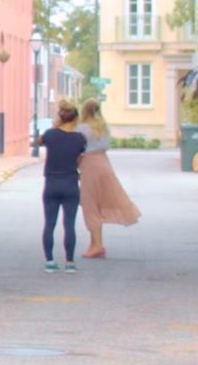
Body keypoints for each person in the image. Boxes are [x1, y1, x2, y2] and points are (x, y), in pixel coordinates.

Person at [76, 98, 140, 259]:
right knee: (99, 203)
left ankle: (97, 244)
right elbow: (106, 145)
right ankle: (95, 243)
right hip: (104, 162)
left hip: (89, 164)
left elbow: (77, 148)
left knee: (90, 204)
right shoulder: (103, 128)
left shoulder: (82, 129)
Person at [39, 101, 87, 273]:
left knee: (49, 224)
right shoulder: (79, 138)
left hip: (51, 183)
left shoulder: (50, 135)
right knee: (69, 224)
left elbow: (39, 142)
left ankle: (50, 261)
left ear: (60, 116)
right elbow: (81, 157)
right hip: (71, 183)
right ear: (76, 118)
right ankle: (70, 262)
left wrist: (55, 125)